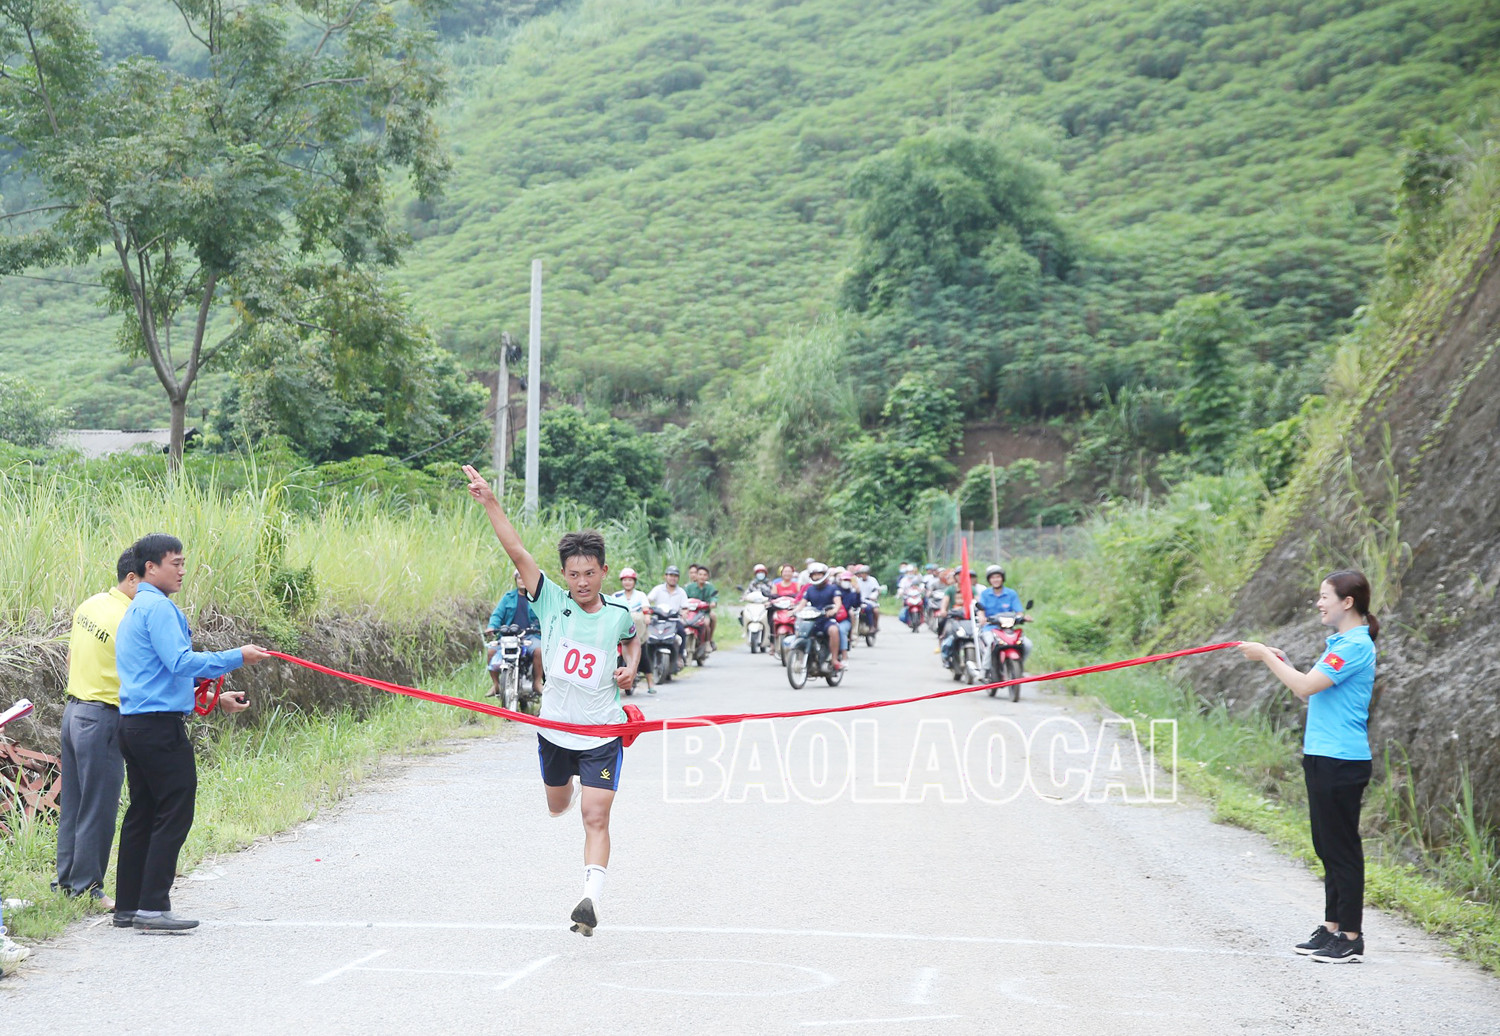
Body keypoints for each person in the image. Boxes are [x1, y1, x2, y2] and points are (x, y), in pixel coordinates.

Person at [462, 464, 640, 937]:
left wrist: (630, 666)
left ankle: (590, 899)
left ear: (604, 572)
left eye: (590, 574)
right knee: (558, 807)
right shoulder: (550, 600)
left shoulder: (619, 613)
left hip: (601, 731)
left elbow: (632, 639)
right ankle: (568, 789)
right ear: (563, 574)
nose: (582, 582)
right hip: (556, 730)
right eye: (574, 574)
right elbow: (516, 550)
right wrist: (490, 502)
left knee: (595, 815)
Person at [113, 534, 266, 932]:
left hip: (134, 724)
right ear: (151, 568)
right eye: (175, 563)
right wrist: (238, 656)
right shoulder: (159, 608)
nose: (182, 571)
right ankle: (152, 908)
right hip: (158, 728)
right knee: (174, 811)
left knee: (143, 812)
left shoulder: (136, 607)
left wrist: (214, 698)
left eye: (183, 563)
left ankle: (128, 907)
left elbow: (158, 671)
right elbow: (180, 662)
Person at [1237, 569, 1378, 964]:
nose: (1318, 603)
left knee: (1342, 849)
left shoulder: (1354, 645)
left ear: (1347, 602)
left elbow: (1303, 686)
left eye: (1324, 596)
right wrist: (1282, 661)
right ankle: (1332, 927)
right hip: (1322, 755)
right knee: (1326, 846)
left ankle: (1351, 936)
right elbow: (1311, 692)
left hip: (1342, 760)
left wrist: (1266, 656)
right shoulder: (1340, 643)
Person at [54, 549, 141, 911]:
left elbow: (71, 658)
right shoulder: (129, 618)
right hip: (103, 716)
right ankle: (87, 886)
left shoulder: (89, 605)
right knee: (99, 806)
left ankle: (66, 881)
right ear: (132, 578)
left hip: (73, 712)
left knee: (74, 803)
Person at [486, 571, 543, 697]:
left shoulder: (538, 599)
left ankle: (537, 682)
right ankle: (496, 685)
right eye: (519, 578)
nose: (522, 580)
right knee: (491, 651)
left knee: (539, 651)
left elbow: (546, 616)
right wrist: (492, 627)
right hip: (509, 636)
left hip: (530, 636)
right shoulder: (508, 598)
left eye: (525, 577)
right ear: (516, 580)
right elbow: (497, 615)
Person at [976, 565, 1031, 664]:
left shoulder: (1011, 593)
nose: (995, 580)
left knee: (1027, 644)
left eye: (998, 577)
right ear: (989, 580)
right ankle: (984, 670)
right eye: (993, 577)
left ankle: (1020, 664)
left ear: (1002, 578)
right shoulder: (985, 594)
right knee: (990, 643)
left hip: (1008, 629)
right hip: (990, 628)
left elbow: (1018, 611)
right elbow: (981, 610)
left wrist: (1023, 617)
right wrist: (982, 617)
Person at [613, 568, 654, 694]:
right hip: (621, 631)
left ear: (634, 581)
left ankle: (650, 684)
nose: (627, 582)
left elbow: (646, 609)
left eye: (630, 580)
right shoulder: (616, 596)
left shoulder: (640, 595)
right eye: (625, 580)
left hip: (637, 630)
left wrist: (647, 617)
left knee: (643, 655)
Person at [797, 562, 845, 669]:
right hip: (812, 620)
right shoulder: (809, 589)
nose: (817, 576)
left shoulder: (832, 588)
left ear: (824, 575)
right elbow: (802, 604)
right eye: (814, 574)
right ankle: (800, 659)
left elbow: (838, 602)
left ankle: (834, 659)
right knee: (799, 631)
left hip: (826, 619)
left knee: (834, 630)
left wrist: (834, 610)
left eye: (819, 574)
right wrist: (793, 612)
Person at [647, 565, 691, 668]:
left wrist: (684, 612)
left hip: (674, 620)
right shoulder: (658, 589)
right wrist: (647, 609)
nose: (673, 578)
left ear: (678, 578)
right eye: (671, 575)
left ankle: (679, 656)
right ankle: (645, 660)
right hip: (658, 620)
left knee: (682, 633)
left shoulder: (681, 592)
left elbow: (685, 607)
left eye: (675, 576)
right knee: (647, 636)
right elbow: (648, 600)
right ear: (665, 576)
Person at [686, 564, 720, 651]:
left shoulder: (710, 587)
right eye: (700, 574)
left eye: (704, 575)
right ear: (696, 575)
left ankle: (707, 641)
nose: (702, 577)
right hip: (692, 612)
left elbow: (714, 597)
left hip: (704, 612)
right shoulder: (689, 587)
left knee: (706, 623)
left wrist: (713, 602)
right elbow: (683, 597)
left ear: (707, 577)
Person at [853, 564, 880, 633]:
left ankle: (873, 626)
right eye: (862, 573)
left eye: (865, 573)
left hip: (870, 600)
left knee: (874, 611)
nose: (863, 575)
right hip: (859, 601)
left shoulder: (872, 580)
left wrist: (874, 596)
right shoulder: (857, 581)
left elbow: (876, 590)